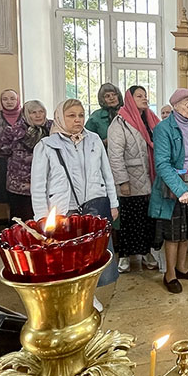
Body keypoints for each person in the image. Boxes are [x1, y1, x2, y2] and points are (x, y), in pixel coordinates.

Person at [31, 99, 119, 291]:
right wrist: (41, 217)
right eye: (71, 116)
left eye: (81, 115)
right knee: (71, 257)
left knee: (94, 253)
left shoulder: (94, 139)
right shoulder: (46, 146)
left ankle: (90, 293)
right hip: (64, 209)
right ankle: (73, 294)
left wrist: (113, 203)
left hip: (94, 206)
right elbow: (38, 186)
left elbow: (107, 173)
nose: (77, 120)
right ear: (60, 118)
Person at [149, 89, 188, 294]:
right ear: (175, 105)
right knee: (173, 234)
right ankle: (170, 275)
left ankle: (182, 267)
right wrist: (179, 190)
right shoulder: (163, 128)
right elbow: (161, 164)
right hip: (173, 186)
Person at [107, 86, 160, 274]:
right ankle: (125, 256)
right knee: (130, 220)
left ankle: (146, 253)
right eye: (139, 96)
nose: (144, 98)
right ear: (130, 99)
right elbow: (114, 156)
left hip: (151, 178)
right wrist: (122, 182)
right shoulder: (120, 123)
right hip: (132, 179)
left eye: (145, 95)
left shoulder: (150, 119)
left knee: (147, 220)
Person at [0, 100, 52, 221]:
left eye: (41, 112)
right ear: (26, 114)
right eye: (33, 112)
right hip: (20, 185)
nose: (38, 115)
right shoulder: (13, 130)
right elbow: (2, 149)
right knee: (21, 221)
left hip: (46, 183)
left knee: (44, 220)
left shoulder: (52, 128)